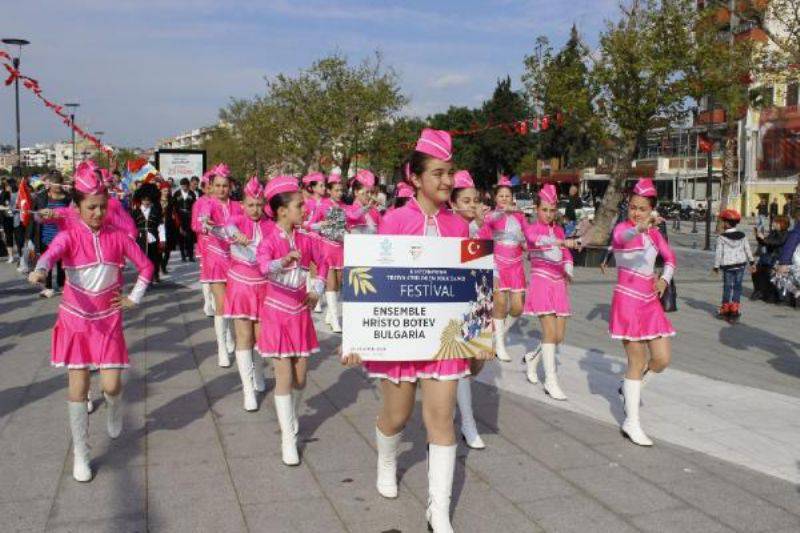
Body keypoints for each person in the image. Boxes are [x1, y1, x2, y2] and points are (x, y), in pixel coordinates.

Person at [342, 129, 494, 533]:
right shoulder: (394, 221)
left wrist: (480, 339)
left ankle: (437, 512)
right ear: (416, 177)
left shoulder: (460, 228)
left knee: (441, 420)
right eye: (438, 173)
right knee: (396, 415)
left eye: (450, 173)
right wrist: (357, 337)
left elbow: (471, 288)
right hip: (401, 338)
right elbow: (371, 279)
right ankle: (387, 459)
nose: (446, 181)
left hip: (444, 342)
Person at [26, 164, 153, 482]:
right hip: (75, 322)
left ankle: (113, 404)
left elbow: (147, 266)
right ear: (78, 207)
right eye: (90, 207)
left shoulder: (119, 238)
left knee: (111, 384)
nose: (97, 213)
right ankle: (81, 455)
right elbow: (50, 254)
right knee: (78, 389)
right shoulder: (69, 236)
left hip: (108, 321)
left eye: (102, 206)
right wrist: (40, 270)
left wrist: (134, 297)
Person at [256, 175, 326, 466]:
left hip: (301, 314)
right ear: (282, 210)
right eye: (299, 205)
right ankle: (288, 437)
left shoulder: (306, 238)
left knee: (301, 379)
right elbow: (262, 268)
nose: (305, 208)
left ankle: (292, 419)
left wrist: (317, 290)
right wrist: (282, 261)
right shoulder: (269, 239)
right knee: (283, 377)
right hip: (276, 314)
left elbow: (322, 263)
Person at [609, 178, 676, 447]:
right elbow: (621, 239)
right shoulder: (624, 229)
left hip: (650, 302)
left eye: (642, 208)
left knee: (661, 359)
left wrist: (664, 280)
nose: (636, 211)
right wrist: (638, 227)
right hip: (627, 301)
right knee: (636, 361)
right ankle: (631, 422)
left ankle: (630, 389)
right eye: (633, 207)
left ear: (652, 210)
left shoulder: (656, 234)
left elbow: (670, 259)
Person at [522, 184, 580, 400]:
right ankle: (551, 381)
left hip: (559, 284)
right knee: (549, 333)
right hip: (541, 282)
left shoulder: (558, 229)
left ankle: (532, 358)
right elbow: (538, 241)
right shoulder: (531, 228)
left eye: (552, 210)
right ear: (537, 209)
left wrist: (568, 269)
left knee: (558, 336)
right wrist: (563, 241)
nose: (548, 214)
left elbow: (566, 254)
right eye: (544, 210)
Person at [222, 177, 271, 411]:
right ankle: (247, 390)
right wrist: (236, 235)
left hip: (264, 286)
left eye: (259, 204)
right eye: (251, 204)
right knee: (244, 337)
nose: (255, 209)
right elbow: (228, 227)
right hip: (240, 285)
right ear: (242, 204)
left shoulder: (270, 225)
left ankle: (259, 372)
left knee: (261, 339)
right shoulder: (236, 219)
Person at [449, 169, 488, 450]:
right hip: (450, 303)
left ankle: (456, 412)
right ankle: (467, 422)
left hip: (475, 302)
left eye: (475, 200)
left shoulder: (480, 229)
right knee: (460, 366)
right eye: (465, 200)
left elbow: (484, 273)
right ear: (453, 204)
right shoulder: (447, 228)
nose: (472, 205)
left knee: (476, 363)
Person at [478, 175, 527, 362]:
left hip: (516, 265)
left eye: (508, 196)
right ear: (495, 198)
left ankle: (497, 335)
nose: (505, 199)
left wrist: (527, 243)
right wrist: (504, 211)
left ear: (512, 197)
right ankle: (499, 344)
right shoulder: (491, 215)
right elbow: (490, 222)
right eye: (501, 196)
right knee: (499, 304)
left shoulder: (520, 216)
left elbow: (526, 237)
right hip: (497, 263)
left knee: (517, 307)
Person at [198, 164, 242, 367]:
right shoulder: (208, 204)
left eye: (225, 185)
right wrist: (206, 222)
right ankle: (221, 347)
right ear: (212, 186)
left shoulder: (237, 206)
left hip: (235, 260)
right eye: (218, 185)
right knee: (222, 304)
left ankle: (230, 336)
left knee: (233, 304)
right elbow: (203, 220)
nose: (222, 189)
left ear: (230, 187)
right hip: (215, 259)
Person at [306, 172, 348, 332]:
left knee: (337, 285)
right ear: (330, 191)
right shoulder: (322, 205)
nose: (339, 193)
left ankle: (330, 315)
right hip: (326, 248)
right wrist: (323, 224)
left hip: (340, 248)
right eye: (336, 190)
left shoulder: (343, 207)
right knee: (330, 284)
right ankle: (335, 321)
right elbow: (310, 225)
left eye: (341, 190)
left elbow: (346, 225)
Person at [713, 209, 755, 318]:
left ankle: (725, 307)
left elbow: (719, 253)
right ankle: (735, 307)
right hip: (741, 265)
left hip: (728, 266)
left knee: (727, 286)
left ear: (727, 223)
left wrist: (716, 267)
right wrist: (752, 261)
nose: (722, 223)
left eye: (723, 221)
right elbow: (747, 249)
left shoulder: (721, 238)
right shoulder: (742, 235)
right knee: (738, 286)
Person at [35, 173, 70, 298]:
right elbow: (35, 215)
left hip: (62, 236)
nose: (57, 188)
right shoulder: (41, 197)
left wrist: (61, 215)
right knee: (47, 261)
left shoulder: (67, 197)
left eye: (59, 186)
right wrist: (40, 214)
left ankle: (61, 284)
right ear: (50, 185)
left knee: (62, 264)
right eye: (55, 186)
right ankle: (48, 287)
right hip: (46, 235)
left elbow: (71, 215)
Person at [753, 216, 788, 302]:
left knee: (769, 275)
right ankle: (759, 291)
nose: (773, 224)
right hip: (768, 256)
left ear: (781, 224)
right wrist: (758, 237)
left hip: (777, 258)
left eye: (775, 222)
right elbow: (766, 242)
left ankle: (773, 296)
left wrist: (764, 239)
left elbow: (777, 242)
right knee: (756, 272)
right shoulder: (773, 232)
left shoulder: (785, 233)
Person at [132, 185, 163, 284]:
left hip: (153, 237)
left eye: (148, 200)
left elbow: (161, 225)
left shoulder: (156, 211)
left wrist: (163, 239)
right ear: (141, 200)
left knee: (154, 257)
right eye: (144, 199)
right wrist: (132, 239)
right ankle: (143, 276)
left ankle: (155, 274)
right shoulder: (135, 212)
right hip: (140, 238)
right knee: (141, 259)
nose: (146, 202)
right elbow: (132, 226)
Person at [345, 170, 382, 234]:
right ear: (356, 192)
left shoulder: (375, 211)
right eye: (367, 192)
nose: (370, 196)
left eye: (371, 192)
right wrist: (367, 207)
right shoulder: (349, 209)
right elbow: (353, 216)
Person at [173, 178, 196, 262]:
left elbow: (195, 206)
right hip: (180, 217)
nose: (184, 187)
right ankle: (183, 255)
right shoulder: (177, 194)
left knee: (190, 237)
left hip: (189, 217)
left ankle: (190, 255)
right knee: (181, 237)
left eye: (185, 186)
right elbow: (174, 206)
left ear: (188, 185)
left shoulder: (192, 194)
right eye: (182, 186)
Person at [158, 182, 177, 274]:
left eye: (168, 191)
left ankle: (164, 265)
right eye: (165, 190)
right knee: (160, 248)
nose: (166, 192)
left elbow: (174, 213)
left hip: (169, 226)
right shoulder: (157, 201)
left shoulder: (172, 200)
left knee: (168, 249)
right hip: (159, 227)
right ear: (161, 190)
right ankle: (161, 265)